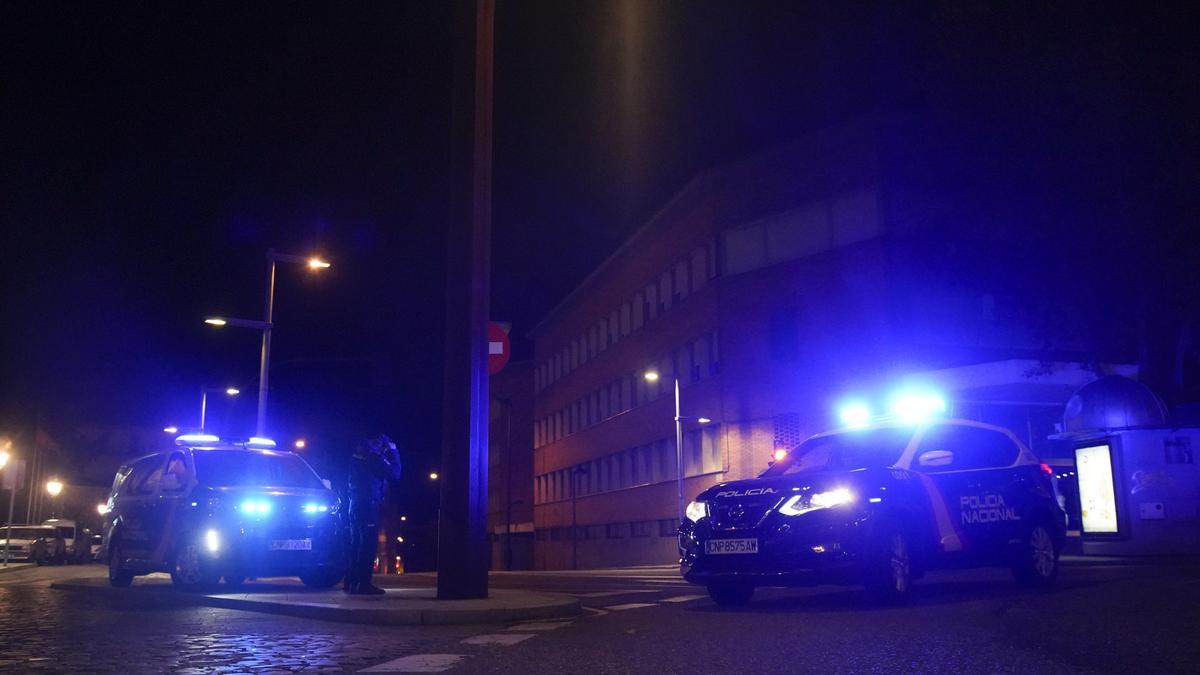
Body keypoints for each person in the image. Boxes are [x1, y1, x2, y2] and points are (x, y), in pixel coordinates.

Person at [343, 434, 402, 595]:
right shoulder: (373, 457)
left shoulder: (357, 456)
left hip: (355, 504)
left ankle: (351, 582)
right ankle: (363, 584)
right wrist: (394, 452)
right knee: (367, 545)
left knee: (356, 544)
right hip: (368, 505)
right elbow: (395, 473)